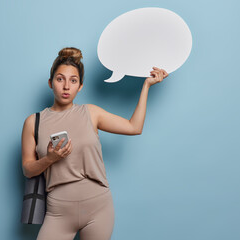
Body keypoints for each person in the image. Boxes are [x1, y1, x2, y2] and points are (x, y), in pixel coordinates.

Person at [21, 47, 168, 240]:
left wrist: (146, 86)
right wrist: (50, 159)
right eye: (60, 79)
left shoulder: (91, 113)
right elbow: (28, 170)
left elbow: (134, 127)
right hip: (58, 211)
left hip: (98, 207)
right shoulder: (34, 122)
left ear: (80, 86)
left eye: (73, 81)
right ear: (50, 83)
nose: (66, 86)